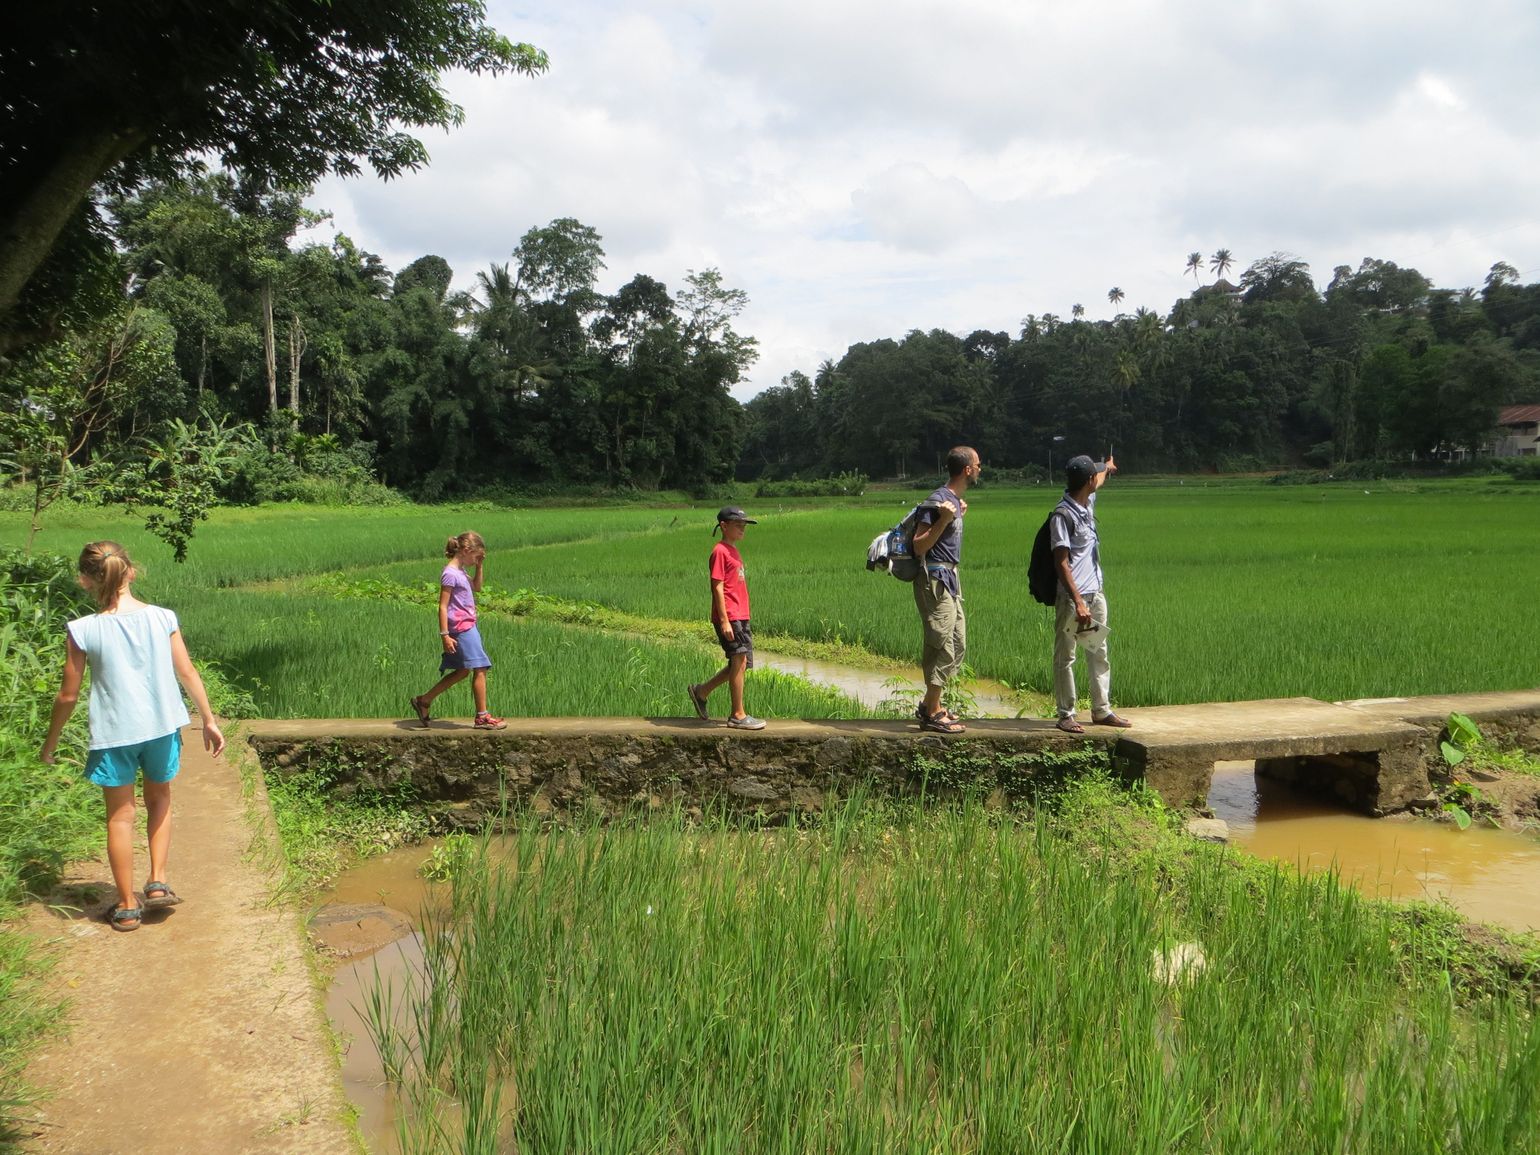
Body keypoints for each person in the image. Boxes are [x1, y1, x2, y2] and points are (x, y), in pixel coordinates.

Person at [39, 541, 226, 932]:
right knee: (159, 799)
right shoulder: (162, 617)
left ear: (85, 580)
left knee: (120, 818)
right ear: (131, 572)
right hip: (161, 727)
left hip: (113, 734)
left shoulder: (83, 629)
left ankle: (126, 906)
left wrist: (50, 743)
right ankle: (156, 884)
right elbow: (187, 672)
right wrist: (208, 719)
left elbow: (67, 695)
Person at [1050, 454, 1132, 733]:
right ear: (1087, 482)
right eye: (1094, 476)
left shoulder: (1086, 503)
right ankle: (1066, 714)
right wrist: (1078, 601)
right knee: (1067, 656)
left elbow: (1100, 478)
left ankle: (1101, 710)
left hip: (1095, 595)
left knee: (1099, 652)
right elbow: (1060, 561)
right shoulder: (1063, 515)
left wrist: (1108, 466)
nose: (1098, 479)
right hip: (1074, 599)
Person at [910, 446, 982, 733]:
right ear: (966, 469)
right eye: (977, 464)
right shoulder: (937, 502)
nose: (979, 469)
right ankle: (932, 712)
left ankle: (930, 704)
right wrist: (943, 519)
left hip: (951, 581)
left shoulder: (952, 501)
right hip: (935, 582)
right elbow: (919, 546)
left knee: (958, 641)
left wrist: (954, 514)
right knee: (941, 642)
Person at [411, 531, 506, 731]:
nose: (475, 560)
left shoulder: (461, 572)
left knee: (463, 671)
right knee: (481, 667)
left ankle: (424, 700)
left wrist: (480, 567)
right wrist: (444, 635)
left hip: (468, 625)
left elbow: (477, 588)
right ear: (465, 550)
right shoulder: (450, 574)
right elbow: (443, 606)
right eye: (475, 556)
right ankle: (482, 717)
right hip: (461, 628)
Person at [687, 506, 766, 730]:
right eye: (738, 524)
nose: (743, 528)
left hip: (740, 615)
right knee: (739, 661)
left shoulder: (733, 551)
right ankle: (737, 715)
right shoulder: (720, 551)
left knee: (739, 664)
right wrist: (724, 620)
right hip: (731, 616)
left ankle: (701, 691)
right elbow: (717, 586)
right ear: (724, 526)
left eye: (744, 525)